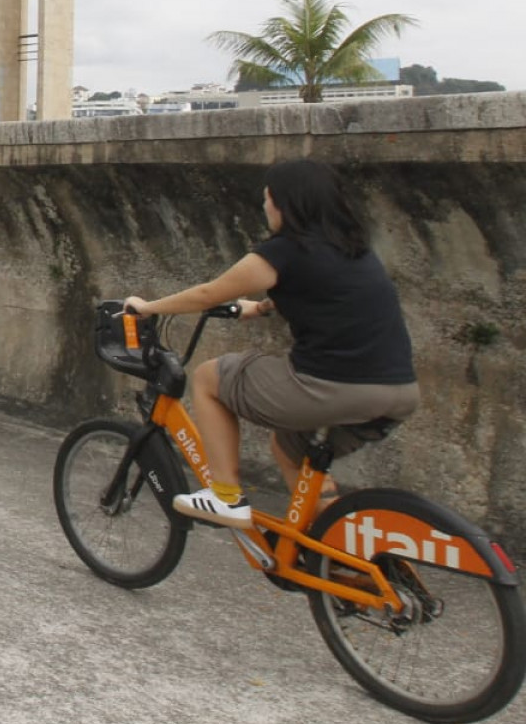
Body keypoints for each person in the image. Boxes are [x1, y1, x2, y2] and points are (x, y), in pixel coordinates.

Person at [123, 158, 417, 527]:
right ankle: (336, 550)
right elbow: (322, 293)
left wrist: (147, 307)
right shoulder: (354, 249)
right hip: (399, 391)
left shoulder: (284, 251)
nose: (264, 207)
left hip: (332, 388)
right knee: (289, 446)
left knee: (210, 378)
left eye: (267, 199)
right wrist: (260, 308)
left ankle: (226, 496)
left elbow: (207, 293)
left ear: (285, 203)